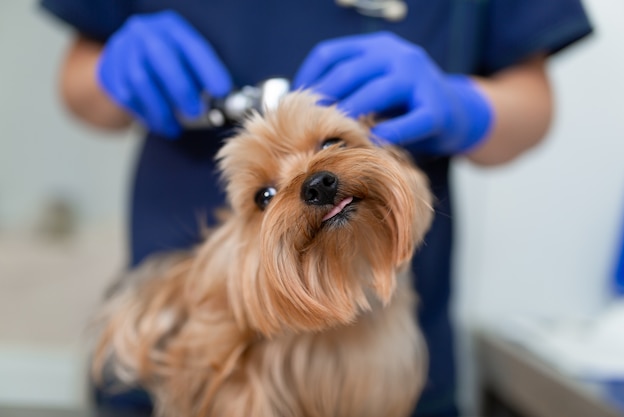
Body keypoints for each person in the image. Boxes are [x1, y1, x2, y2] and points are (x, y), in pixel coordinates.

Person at [40, 1, 592, 416]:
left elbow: (533, 102)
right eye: (264, 195)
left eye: (331, 145)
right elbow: (77, 82)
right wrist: (113, 69)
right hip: (203, 355)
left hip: (403, 362)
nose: (316, 181)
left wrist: (465, 107)